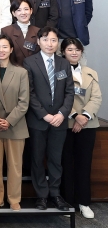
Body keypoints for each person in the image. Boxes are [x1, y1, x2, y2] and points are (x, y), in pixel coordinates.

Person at [23, 26, 74, 211]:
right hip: (38, 121)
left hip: (60, 121)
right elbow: (30, 93)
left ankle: (55, 194)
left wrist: (61, 114)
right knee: (37, 159)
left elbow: (70, 93)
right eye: (45, 39)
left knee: (55, 159)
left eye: (53, 40)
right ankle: (41, 196)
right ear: (38, 41)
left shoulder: (64, 64)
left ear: (57, 42)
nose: (49, 43)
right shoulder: (29, 62)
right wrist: (44, 115)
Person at [0, 34, 29, 211]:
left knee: (15, 166)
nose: (1, 50)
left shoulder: (21, 72)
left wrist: (9, 121)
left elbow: (24, 102)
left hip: (15, 125)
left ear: (11, 49)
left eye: (5, 47)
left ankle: (14, 199)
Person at [60, 38, 102, 219]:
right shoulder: (57, 73)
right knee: (66, 165)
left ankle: (84, 202)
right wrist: (74, 116)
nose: (74, 52)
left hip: (87, 125)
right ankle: (68, 203)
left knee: (84, 164)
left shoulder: (90, 72)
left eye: (77, 49)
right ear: (63, 52)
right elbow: (57, 98)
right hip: (66, 124)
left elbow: (96, 98)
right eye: (70, 49)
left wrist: (83, 116)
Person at [0, 0, 41, 66]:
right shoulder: (6, 31)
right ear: (13, 13)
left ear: (31, 11)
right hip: (14, 70)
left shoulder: (39, 31)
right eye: (19, 10)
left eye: (26, 9)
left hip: (35, 70)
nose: (23, 13)